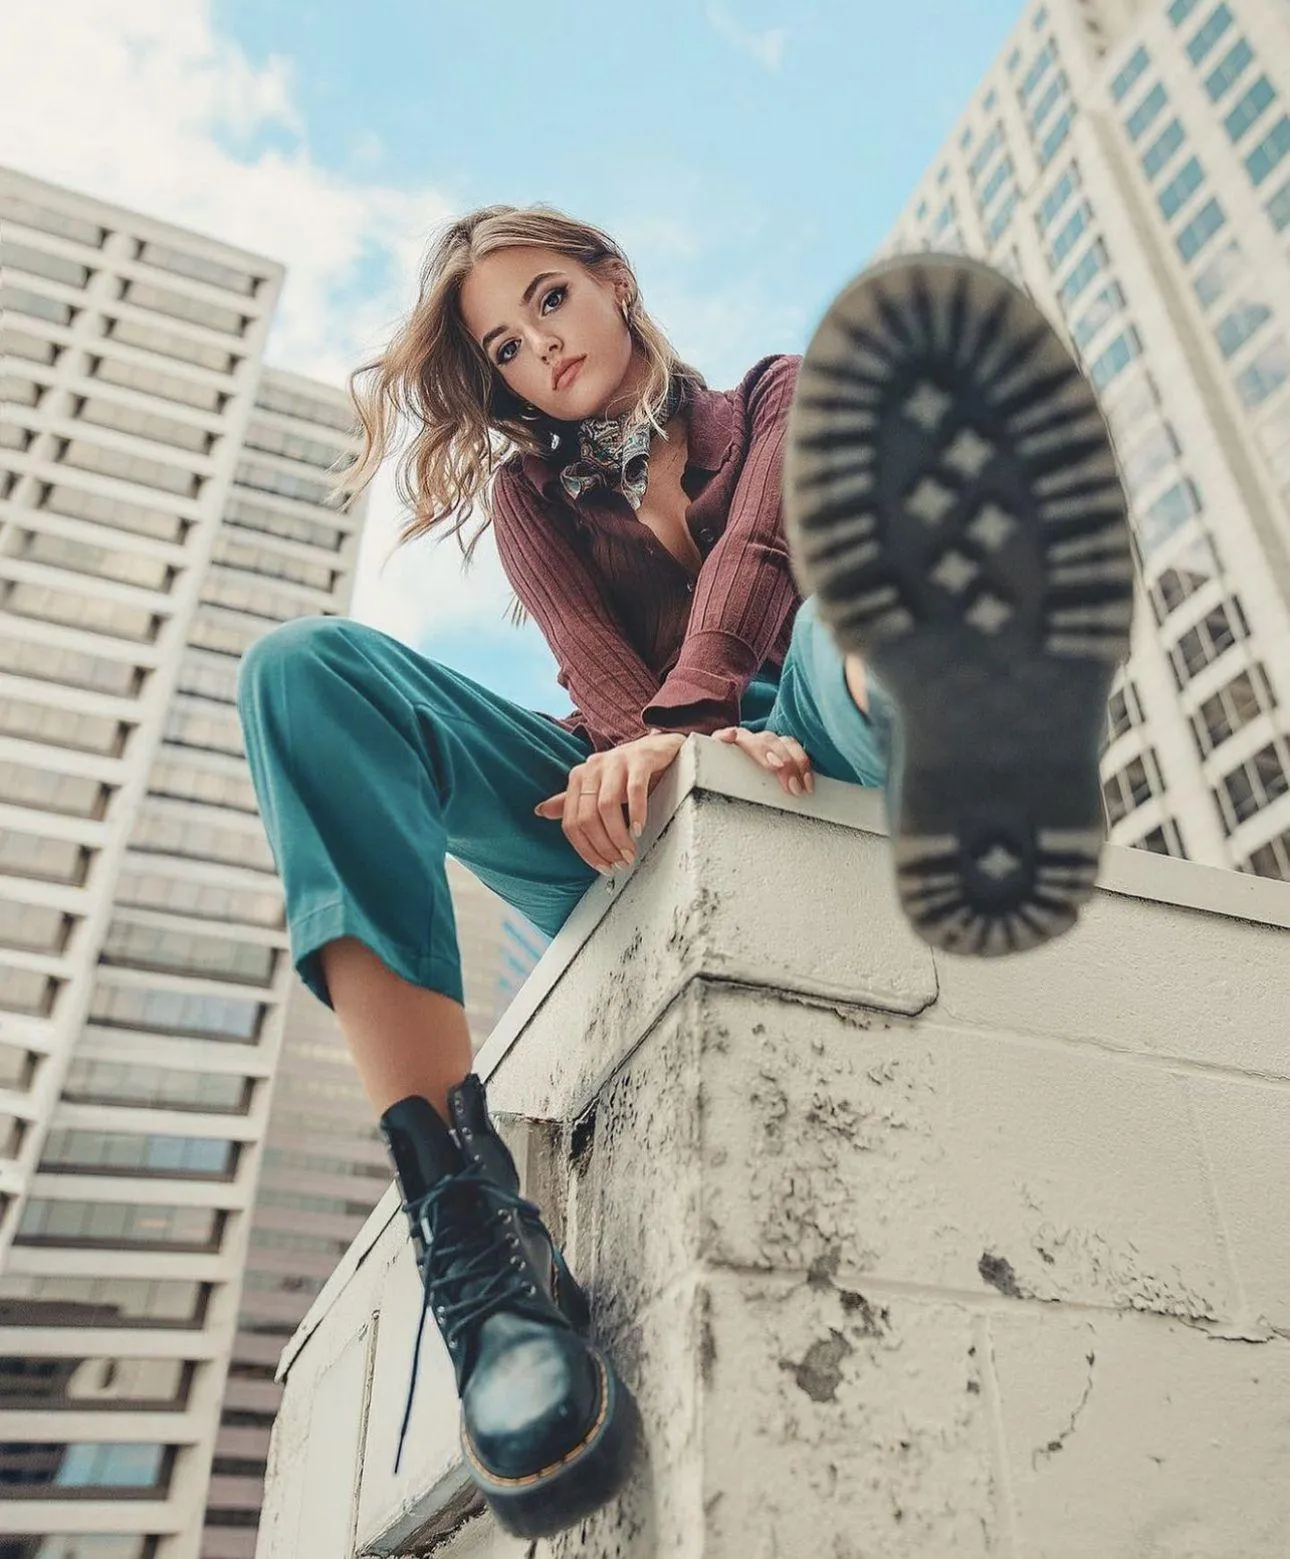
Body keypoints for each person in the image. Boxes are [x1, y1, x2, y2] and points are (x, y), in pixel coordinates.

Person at [235, 204, 1132, 1537]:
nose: (536, 348)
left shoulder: (773, 396)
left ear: (613, 283)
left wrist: (700, 725)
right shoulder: (532, 493)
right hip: (627, 805)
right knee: (306, 673)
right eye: (501, 343)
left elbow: (763, 558)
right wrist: (658, 748)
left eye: (548, 301)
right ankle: (478, 1247)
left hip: (809, 725)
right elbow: (597, 677)